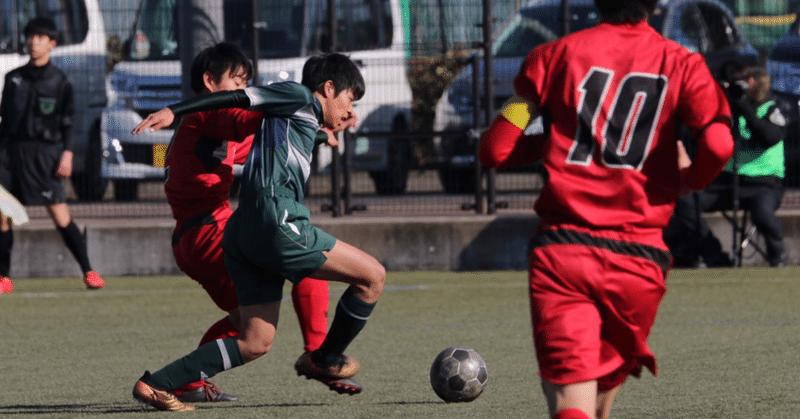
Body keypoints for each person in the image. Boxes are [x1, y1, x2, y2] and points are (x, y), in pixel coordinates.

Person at [478, 0, 734, 418]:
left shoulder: (549, 56)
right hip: (639, 260)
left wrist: (554, 141)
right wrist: (688, 181)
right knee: (598, 405)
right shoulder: (683, 63)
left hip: (564, 252)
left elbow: (494, 149)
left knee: (570, 402)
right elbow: (720, 145)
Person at [129, 52, 385, 412]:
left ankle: (163, 383)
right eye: (238, 79)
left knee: (254, 338)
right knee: (357, 274)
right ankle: (321, 356)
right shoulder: (214, 113)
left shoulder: (229, 121)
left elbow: (275, 139)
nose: (244, 86)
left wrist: (318, 133)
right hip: (221, 224)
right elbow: (247, 107)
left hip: (227, 227)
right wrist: (176, 109)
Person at [0, 17, 104, 294]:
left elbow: (68, 122)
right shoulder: (13, 79)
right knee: (2, 215)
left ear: (52, 43)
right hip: (10, 155)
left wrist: (67, 154)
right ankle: (3, 277)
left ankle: (88, 270)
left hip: (44, 156)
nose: (34, 42)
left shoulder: (61, 82)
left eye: (40, 37)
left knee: (60, 215)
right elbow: (5, 121)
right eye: (31, 37)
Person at [664, 63, 788, 268]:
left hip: (764, 183)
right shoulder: (726, 109)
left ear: (752, 82)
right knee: (686, 201)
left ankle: (778, 256)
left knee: (763, 213)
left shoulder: (772, 107)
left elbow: (770, 136)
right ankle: (714, 256)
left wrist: (745, 108)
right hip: (728, 180)